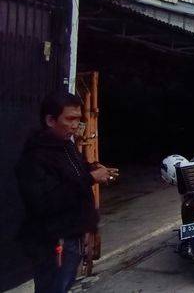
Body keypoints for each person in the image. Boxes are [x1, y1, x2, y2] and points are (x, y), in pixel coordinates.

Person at [15, 91, 118, 293]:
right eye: (70, 119)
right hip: (54, 241)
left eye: (78, 120)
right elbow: (45, 201)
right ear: (50, 120)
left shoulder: (66, 146)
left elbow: (73, 173)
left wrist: (93, 168)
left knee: (64, 285)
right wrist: (90, 178)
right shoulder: (35, 157)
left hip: (73, 235)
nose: (74, 126)